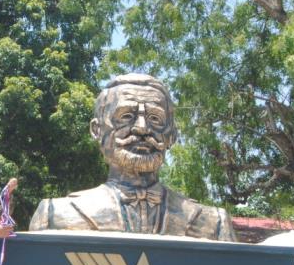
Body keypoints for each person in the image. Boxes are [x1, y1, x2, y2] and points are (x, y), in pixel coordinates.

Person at [29, 73, 235, 241]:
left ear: (171, 135)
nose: (142, 128)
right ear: (96, 130)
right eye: (126, 116)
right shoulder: (55, 215)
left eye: (155, 118)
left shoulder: (213, 224)